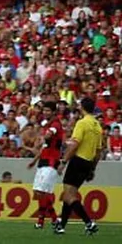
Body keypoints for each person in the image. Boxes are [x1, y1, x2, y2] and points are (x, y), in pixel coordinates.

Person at [54, 97, 104, 235]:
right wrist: (93, 168)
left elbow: (75, 144)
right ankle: (61, 225)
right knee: (70, 194)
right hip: (88, 162)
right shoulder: (97, 126)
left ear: (82, 107)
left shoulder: (82, 123)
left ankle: (89, 222)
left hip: (78, 160)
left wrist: (63, 162)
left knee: (69, 195)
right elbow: (99, 151)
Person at [27, 101, 62, 229]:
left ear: (53, 112)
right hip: (43, 160)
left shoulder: (56, 125)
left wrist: (42, 136)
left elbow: (48, 136)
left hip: (52, 161)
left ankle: (52, 219)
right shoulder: (48, 125)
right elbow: (44, 146)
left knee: (42, 191)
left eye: (48, 111)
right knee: (38, 192)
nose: (45, 113)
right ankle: (46, 221)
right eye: (44, 110)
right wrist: (35, 160)